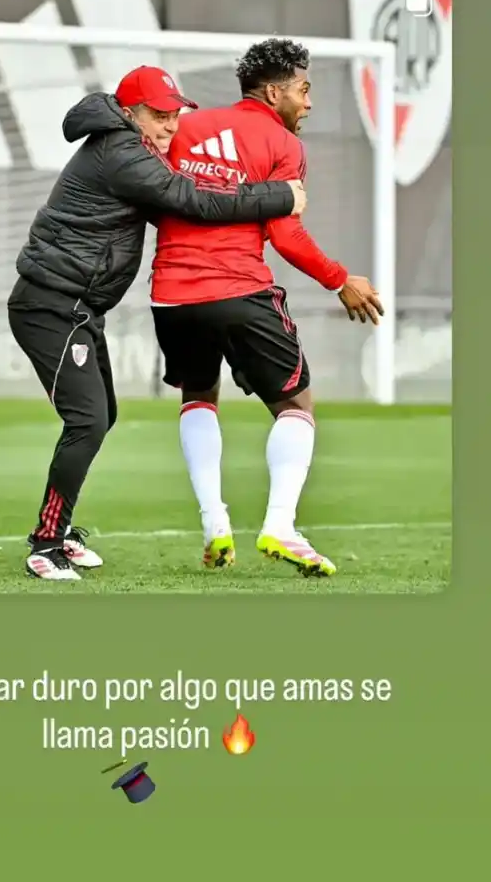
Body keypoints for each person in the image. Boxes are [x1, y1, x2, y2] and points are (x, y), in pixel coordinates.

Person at [8, 64, 306, 582]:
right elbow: (190, 200)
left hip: (76, 308)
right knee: (88, 421)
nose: (171, 125)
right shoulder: (122, 152)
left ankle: (63, 532)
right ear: (130, 112)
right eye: (159, 115)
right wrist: (282, 196)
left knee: (100, 416)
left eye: (175, 114)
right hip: (50, 306)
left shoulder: (131, 145)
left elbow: (181, 197)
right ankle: (46, 544)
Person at [150, 38, 383, 577]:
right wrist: (339, 279)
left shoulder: (182, 126)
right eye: (303, 90)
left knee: (198, 394)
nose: (309, 103)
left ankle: (214, 521)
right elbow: (285, 234)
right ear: (275, 91)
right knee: (297, 405)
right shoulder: (281, 143)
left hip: (172, 294)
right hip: (238, 288)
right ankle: (280, 524)